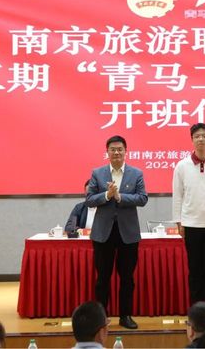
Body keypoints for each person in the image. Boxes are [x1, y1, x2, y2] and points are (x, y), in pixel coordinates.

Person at [85, 135, 148, 330]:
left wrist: (120, 197)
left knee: (127, 278)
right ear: (107, 152)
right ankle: (101, 318)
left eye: (120, 149)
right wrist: (107, 195)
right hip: (103, 234)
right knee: (102, 278)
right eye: (113, 149)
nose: (116, 152)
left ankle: (125, 316)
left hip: (128, 233)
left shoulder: (136, 173)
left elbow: (143, 198)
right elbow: (89, 200)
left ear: (125, 151)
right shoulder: (98, 173)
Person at [172, 123, 205, 305]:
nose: (201, 139)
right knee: (194, 270)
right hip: (191, 224)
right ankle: (195, 311)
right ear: (192, 140)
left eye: (204, 136)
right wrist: (178, 222)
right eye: (197, 136)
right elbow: (178, 195)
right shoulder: (182, 166)